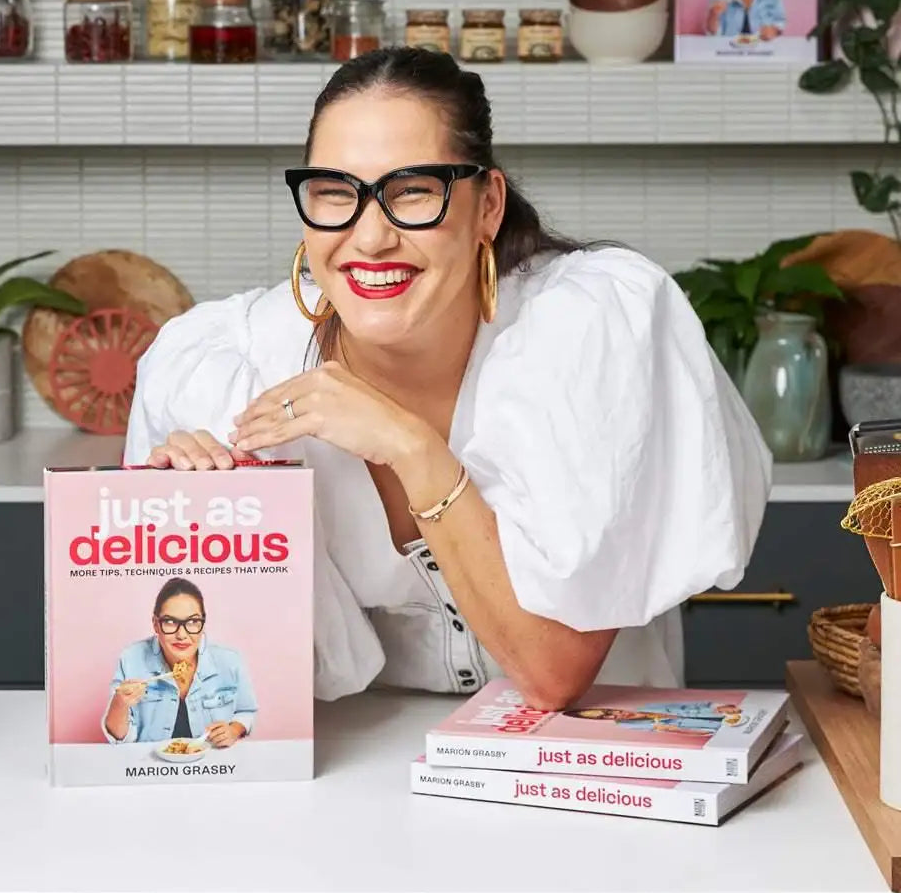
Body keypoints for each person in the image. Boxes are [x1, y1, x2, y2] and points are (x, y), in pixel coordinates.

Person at [123, 47, 771, 710]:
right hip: (364, 779)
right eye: (335, 194)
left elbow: (554, 674)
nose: (369, 237)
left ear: (487, 205)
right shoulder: (223, 366)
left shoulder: (588, 329)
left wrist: (409, 446)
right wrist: (189, 523)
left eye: (413, 192)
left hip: (597, 765)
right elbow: (214, 684)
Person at [102, 577, 258, 745]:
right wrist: (120, 703)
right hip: (150, 766)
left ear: (203, 624)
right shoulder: (131, 659)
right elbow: (120, 738)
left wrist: (233, 730)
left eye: (192, 622)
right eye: (170, 622)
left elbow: (246, 711)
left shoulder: (229, 661)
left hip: (213, 764)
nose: (182, 635)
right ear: (155, 624)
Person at [562, 701, 744, 735]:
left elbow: (692, 704)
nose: (616, 714)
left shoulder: (649, 707)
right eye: (605, 717)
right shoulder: (629, 726)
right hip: (712, 729)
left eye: (609, 710)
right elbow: (682, 732)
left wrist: (716, 707)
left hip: (728, 715)